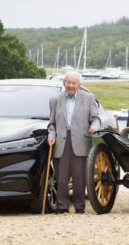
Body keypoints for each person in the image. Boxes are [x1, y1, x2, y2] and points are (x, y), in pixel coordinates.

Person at [47, 71, 100, 214]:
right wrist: (51, 135)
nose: (71, 85)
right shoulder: (55, 100)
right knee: (61, 177)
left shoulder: (89, 98)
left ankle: (79, 206)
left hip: (81, 140)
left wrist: (95, 126)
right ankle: (62, 206)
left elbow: (95, 118)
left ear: (79, 84)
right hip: (61, 142)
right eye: (68, 82)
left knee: (80, 176)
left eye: (74, 83)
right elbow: (51, 124)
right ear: (64, 83)